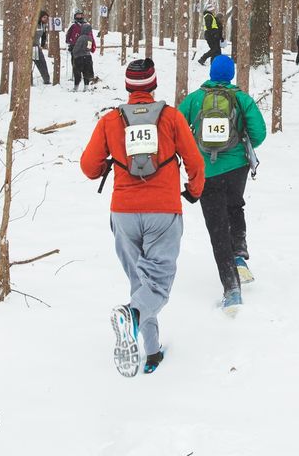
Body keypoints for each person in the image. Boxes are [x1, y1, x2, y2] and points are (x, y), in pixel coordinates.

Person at [79, 59, 206, 377]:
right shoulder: (172, 118)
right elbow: (195, 162)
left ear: (127, 87)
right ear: (153, 85)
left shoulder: (111, 120)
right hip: (163, 210)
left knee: (141, 282)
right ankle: (134, 317)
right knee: (157, 285)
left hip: (123, 212)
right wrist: (194, 190)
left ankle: (151, 352)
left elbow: (88, 167)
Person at [178, 55, 267, 315]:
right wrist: (238, 145)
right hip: (237, 166)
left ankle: (232, 290)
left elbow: (177, 127)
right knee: (235, 206)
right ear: (230, 75)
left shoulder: (195, 98)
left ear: (211, 72)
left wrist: (195, 148)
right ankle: (239, 253)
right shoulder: (241, 98)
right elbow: (259, 133)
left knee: (217, 228)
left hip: (205, 169)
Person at [70, 22, 98, 90]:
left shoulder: (81, 38)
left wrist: (73, 52)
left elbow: (77, 48)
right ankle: (86, 87)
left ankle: (76, 87)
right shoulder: (90, 38)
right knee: (86, 73)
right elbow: (89, 48)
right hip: (87, 57)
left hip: (79, 58)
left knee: (77, 74)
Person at [34, 10, 52, 85]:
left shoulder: (43, 25)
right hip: (30, 47)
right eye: (44, 17)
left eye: (47, 18)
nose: (45, 19)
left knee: (42, 63)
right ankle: (29, 81)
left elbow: (44, 35)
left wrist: (42, 45)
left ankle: (46, 80)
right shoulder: (34, 23)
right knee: (28, 64)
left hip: (36, 46)